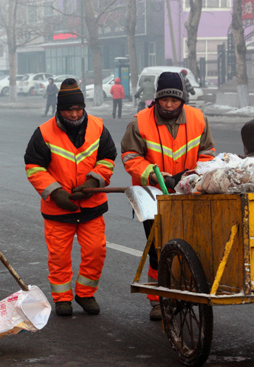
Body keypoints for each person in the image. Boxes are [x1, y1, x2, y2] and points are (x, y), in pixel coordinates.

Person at [120, 71, 215, 321]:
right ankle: (158, 299)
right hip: (152, 196)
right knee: (158, 249)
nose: (169, 105)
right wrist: (153, 174)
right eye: (164, 101)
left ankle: (184, 292)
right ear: (157, 99)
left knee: (190, 246)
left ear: (182, 99)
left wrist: (192, 174)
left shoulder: (198, 119)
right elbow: (130, 157)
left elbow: (208, 153)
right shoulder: (139, 122)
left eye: (174, 101)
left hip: (189, 193)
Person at [24, 78, 117, 317]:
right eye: (69, 109)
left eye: (78, 108)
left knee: (96, 252)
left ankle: (85, 294)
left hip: (92, 206)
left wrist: (93, 181)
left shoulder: (98, 127)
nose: (74, 114)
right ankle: (62, 298)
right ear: (60, 109)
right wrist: (55, 193)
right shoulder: (43, 132)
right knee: (59, 257)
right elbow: (34, 167)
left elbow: (107, 159)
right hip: (58, 210)